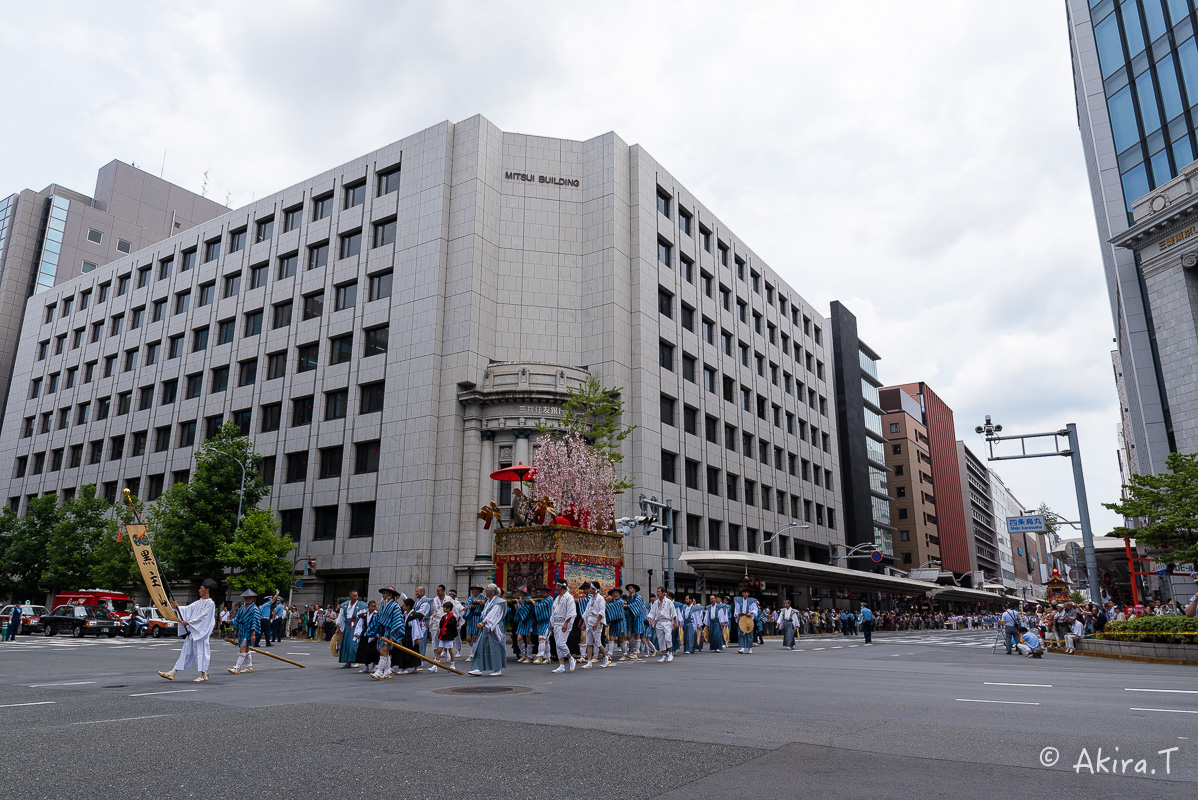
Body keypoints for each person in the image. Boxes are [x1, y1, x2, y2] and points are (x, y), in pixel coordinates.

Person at [159, 578, 218, 682]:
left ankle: (204, 674)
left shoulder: (210, 603)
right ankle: (173, 672)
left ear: (207, 590)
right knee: (185, 652)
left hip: (201, 634)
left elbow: (203, 617)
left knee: (201, 653)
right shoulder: (199, 602)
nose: (199, 590)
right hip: (194, 633)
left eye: (201, 588)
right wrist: (177, 607)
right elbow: (188, 609)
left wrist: (189, 623)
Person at [368, 586, 406, 679]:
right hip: (382, 630)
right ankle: (388, 670)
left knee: (383, 650)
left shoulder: (395, 605)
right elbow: (379, 617)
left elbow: (398, 620)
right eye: (383, 593)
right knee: (386, 651)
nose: (383, 595)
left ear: (390, 594)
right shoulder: (383, 605)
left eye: (385, 593)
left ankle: (379, 671)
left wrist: (393, 632)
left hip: (390, 631)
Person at [469, 584, 507, 677]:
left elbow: (493, 615)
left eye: (487, 590)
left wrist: (483, 622)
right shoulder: (488, 602)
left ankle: (497, 669)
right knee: (480, 646)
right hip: (486, 627)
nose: (486, 592)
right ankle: (479, 668)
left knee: (495, 647)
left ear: (491, 591)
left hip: (494, 627)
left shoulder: (498, 602)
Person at [228, 590, 261, 674]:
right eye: (246, 597)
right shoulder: (242, 607)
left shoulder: (254, 609)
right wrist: (235, 629)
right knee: (246, 648)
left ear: (252, 598)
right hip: (242, 629)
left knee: (243, 647)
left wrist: (253, 633)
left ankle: (237, 667)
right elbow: (238, 619)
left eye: (249, 597)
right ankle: (249, 666)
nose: (248, 599)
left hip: (249, 630)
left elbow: (255, 621)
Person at [549, 580, 577, 673]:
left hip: (564, 623)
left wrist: (566, 623)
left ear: (562, 586)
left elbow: (571, 612)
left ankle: (570, 658)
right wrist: (552, 623)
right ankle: (561, 665)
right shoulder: (557, 598)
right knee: (558, 645)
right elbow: (553, 612)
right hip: (556, 623)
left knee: (561, 643)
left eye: (557, 585)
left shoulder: (569, 597)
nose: (556, 587)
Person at [335, 591, 368, 668]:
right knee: (346, 643)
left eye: (356, 596)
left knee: (354, 643)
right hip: (347, 625)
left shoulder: (361, 605)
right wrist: (338, 628)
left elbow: (363, 617)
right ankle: (347, 661)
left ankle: (355, 660)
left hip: (356, 625)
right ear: (350, 596)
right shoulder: (345, 605)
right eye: (354, 596)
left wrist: (363, 627)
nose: (355, 597)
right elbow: (341, 617)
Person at [647, 586, 679, 663]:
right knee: (660, 640)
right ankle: (663, 655)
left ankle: (670, 653)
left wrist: (675, 623)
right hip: (659, 622)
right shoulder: (655, 603)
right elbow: (652, 612)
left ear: (663, 593)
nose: (658, 593)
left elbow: (673, 613)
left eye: (659, 592)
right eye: (657, 592)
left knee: (668, 638)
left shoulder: (669, 602)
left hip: (667, 621)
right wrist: (651, 619)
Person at [580, 582, 608, 668]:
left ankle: (605, 657)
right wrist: (584, 622)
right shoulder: (591, 599)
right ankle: (589, 661)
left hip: (596, 620)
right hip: (589, 621)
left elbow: (601, 612)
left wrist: (597, 623)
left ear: (595, 589)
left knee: (598, 642)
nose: (590, 590)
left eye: (591, 588)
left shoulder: (600, 599)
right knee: (588, 642)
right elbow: (587, 611)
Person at [431, 602, 459, 672]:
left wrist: (454, 635)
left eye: (444, 608)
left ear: (449, 609)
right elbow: (441, 625)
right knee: (439, 650)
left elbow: (453, 628)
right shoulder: (443, 617)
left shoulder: (452, 618)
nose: (443, 609)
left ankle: (452, 665)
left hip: (449, 636)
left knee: (450, 650)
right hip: (443, 635)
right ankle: (435, 665)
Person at [356, 600, 379, 674]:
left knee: (373, 650)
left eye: (375, 606)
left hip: (373, 633)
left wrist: (376, 635)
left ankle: (374, 665)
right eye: (372, 606)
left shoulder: (377, 615)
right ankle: (366, 666)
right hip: (365, 634)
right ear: (368, 607)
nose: (373, 608)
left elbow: (378, 626)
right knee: (364, 650)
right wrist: (357, 633)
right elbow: (360, 625)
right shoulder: (364, 615)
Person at [462, 585, 484, 662]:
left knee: (475, 637)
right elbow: (467, 606)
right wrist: (470, 607)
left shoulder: (483, 598)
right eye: (472, 589)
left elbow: (486, 605)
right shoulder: (470, 598)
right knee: (468, 638)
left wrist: (481, 603)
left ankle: (472, 655)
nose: (472, 591)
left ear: (478, 590)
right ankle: (476, 649)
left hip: (478, 617)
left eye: (474, 589)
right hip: (471, 618)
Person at [604, 587, 626, 663]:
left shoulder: (621, 602)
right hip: (613, 621)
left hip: (620, 621)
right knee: (611, 636)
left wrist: (604, 605)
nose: (615, 594)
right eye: (613, 593)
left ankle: (624, 654)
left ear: (619, 594)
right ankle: (610, 653)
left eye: (616, 593)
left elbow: (612, 607)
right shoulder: (611, 601)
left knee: (621, 638)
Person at [734, 588, 759, 654]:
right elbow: (736, 610)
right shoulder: (738, 600)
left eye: (747, 592)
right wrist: (736, 614)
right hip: (742, 618)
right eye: (744, 592)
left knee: (749, 633)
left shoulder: (752, 601)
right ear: (742, 594)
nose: (746, 594)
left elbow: (755, 610)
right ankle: (742, 648)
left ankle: (750, 648)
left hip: (749, 618)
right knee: (741, 633)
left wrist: (751, 613)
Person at [514, 587, 535, 663]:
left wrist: (519, 606)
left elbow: (526, 611)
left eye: (520, 591)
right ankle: (523, 655)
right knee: (519, 638)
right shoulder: (521, 600)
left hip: (528, 620)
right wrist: (518, 606)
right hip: (521, 621)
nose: (519, 593)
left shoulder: (528, 600)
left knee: (528, 639)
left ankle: (529, 657)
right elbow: (519, 611)